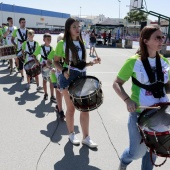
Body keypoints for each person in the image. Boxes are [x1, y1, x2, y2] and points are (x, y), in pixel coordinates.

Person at [113, 25, 170, 170]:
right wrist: (127, 100)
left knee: (154, 150)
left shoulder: (165, 62)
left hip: (160, 113)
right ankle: (124, 161)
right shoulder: (133, 62)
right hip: (139, 114)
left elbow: (166, 87)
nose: (161, 39)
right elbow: (116, 83)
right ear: (145, 41)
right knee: (136, 152)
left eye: (162, 36)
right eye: (157, 37)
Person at [54, 18, 101, 148]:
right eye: (74, 27)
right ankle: (71, 134)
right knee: (71, 109)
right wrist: (63, 71)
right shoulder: (62, 44)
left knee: (85, 109)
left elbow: (80, 63)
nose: (77, 29)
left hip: (81, 76)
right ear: (68, 29)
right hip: (68, 78)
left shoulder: (82, 43)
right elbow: (55, 61)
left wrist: (92, 63)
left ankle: (86, 137)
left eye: (78, 26)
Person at [33, 33, 56, 103]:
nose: (49, 40)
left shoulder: (52, 48)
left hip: (50, 66)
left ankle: (52, 96)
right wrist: (36, 61)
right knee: (44, 81)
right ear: (44, 40)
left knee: (51, 81)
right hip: (43, 67)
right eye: (47, 39)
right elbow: (34, 55)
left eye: (50, 39)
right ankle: (45, 93)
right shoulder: (40, 47)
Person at [47, 33, 65, 119]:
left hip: (65, 75)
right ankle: (60, 110)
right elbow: (48, 62)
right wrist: (51, 68)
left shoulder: (67, 51)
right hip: (55, 76)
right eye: (60, 41)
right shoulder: (54, 51)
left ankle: (58, 106)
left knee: (62, 93)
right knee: (58, 91)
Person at [11, 18, 28, 82]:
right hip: (19, 50)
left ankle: (30, 77)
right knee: (21, 64)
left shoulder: (28, 31)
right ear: (19, 23)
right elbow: (12, 39)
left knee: (28, 64)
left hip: (27, 50)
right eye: (22, 22)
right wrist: (15, 45)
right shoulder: (16, 31)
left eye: (24, 22)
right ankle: (22, 76)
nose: (23, 24)